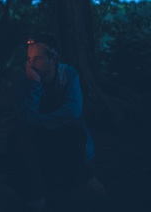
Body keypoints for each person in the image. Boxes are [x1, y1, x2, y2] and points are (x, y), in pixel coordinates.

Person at [10, 34, 95, 208]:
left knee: (73, 132)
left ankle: (71, 185)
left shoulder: (68, 74)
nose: (32, 64)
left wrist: (40, 121)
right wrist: (34, 85)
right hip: (37, 134)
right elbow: (25, 117)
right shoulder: (26, 79)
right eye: (29, 59)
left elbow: (72, 110)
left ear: (53, 59)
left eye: (38, 59)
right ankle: (36, 193)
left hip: (61, 131)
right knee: (18, 136)